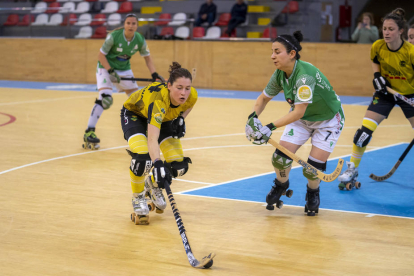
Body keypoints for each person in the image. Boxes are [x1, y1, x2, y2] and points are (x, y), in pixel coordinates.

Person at [245, 31, 345, 216]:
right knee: (280, 158)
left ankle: (313, 192)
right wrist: (252, 119)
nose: (272, 56)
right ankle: (281, 184)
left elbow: (299, 112)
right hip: (302, 120)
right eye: (272, 51)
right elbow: (263, 99)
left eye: (277, 51)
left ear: (291, 54)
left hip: (327, 121)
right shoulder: (280, 74)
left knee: (312, 170)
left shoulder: (304, 77)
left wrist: (268, 127)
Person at [338, 8, 414, 189]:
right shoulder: (378, 46)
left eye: (391, 29)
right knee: (362, 134)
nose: (386, 33)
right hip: (385, 94)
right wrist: (377, 76)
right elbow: (375, 60)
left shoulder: (410, 52)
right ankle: (352, 170)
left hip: (409, 95)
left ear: (401, 31)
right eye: (385, 29)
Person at [121, 62, 197, 225]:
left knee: (179, 166)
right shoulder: (159, 101)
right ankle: (138, 196)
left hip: (164, 119)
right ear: (169, 86)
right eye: (179, 88)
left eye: (187, 88)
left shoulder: (192, 95)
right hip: (135, 115)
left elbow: (189, 104)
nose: (184, 93)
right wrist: (158, 164)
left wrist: (181, 119)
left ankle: (152, 184)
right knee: (144, 159)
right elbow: (152, 139)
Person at [83, 13, 165, 150]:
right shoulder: (114, 37)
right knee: (106, 100)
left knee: (139, 102)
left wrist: (154, 74)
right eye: (128, 23)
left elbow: (147, 58)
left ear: (137, 25)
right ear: (124, 25)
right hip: (105, 68)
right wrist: (110, 72)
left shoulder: (139, 39)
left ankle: (146, 132)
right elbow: (101, 56)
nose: (131, 26)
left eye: (133, 23)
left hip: (124, 69)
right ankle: (89, 132)